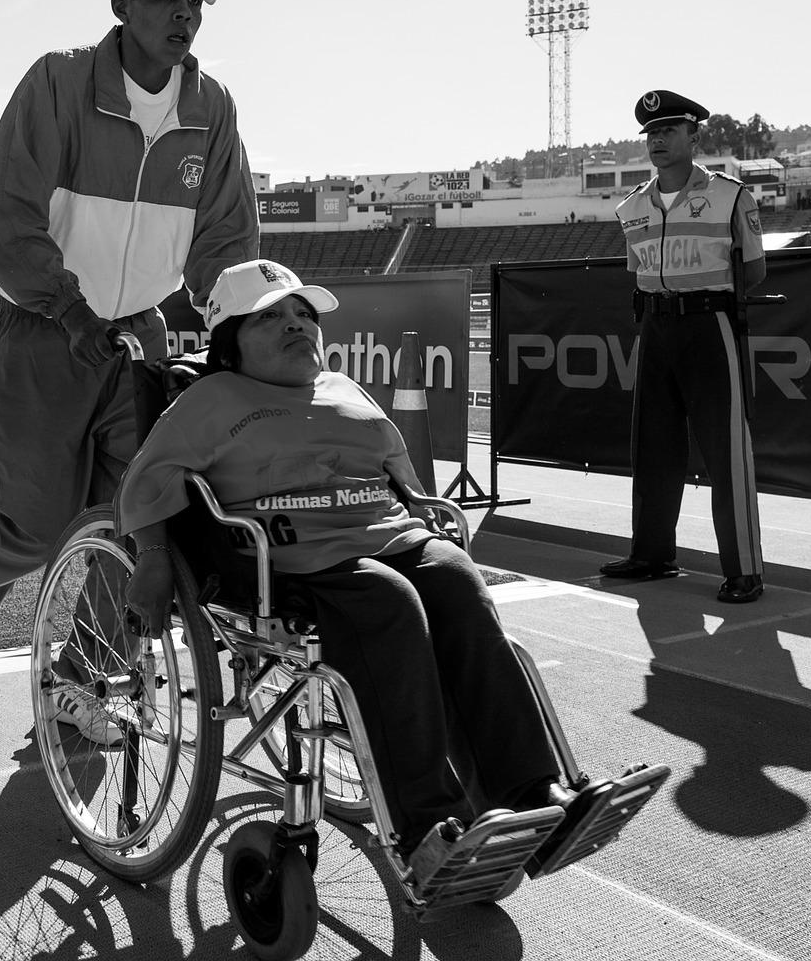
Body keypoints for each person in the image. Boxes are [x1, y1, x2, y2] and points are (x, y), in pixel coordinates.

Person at [117, 260, 574, 885]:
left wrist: (422, 513)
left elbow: (398, 468)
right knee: (388, 602)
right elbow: (146, 482)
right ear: (230, 342)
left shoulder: (343, 388)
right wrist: (151, 561)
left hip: (387, 532)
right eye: (272, 316)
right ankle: (427, 831)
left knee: (455, 577)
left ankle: (533, 796)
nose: (297, 325)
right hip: (294, 560)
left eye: (304, 314)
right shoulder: (209, 399)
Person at [0, 0, 260, 687]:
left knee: (141, 516)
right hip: (45, 328)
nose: (185, 13)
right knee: (37, 521)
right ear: (122, 7)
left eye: (195, 1)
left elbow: (226, 238)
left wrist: (242, 324)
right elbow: (9, 214)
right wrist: (70, 309)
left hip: (136, 338)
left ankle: (89, 678)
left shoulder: (211, 109)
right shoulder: (58, 82)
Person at [602, 90, 768, 604]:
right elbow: (638, 273)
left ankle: (744, 570)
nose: (658, 140)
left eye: (670, 130)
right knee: (651, 447)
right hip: (655, 327)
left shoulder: (731, 196)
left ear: (694, 136)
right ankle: (652, 555)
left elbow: (755, 271)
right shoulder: (630, 206)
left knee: (726, 451)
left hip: (709, 325)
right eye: (651, 133)